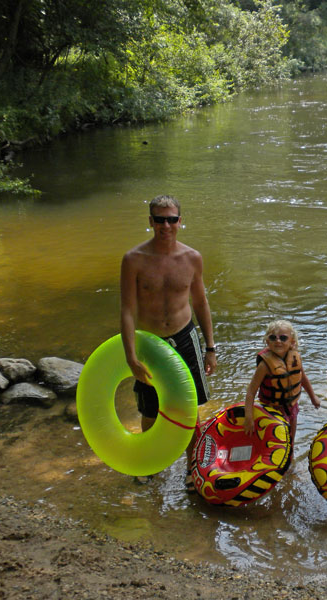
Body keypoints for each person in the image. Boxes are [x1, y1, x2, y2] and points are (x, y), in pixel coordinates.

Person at [120, 194, 217, 487]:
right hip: (151, 342)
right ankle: (152, 462)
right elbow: (126, 310)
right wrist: (131, 356)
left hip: (186, 338)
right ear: (150, 221)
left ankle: (192, 468)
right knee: (150, 410)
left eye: (172, 219)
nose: (166, 225)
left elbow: (200, 303)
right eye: (160, 219)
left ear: (180, 221)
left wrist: (210, 348)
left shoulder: (192, 258)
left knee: (189, 409)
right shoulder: (133, 259)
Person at [243, 320, 320, 449]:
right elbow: (251, 391)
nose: (278, 341)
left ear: (292, 342)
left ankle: (291, 461)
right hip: (271, 409)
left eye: (283, 338)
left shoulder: (295, 358)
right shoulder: (264, 365)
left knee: (290, 439)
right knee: (275, 441)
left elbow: (303, 378)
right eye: (273, 337)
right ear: (267, 342)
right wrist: (248, 417)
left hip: (291, 406)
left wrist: (313, 397)